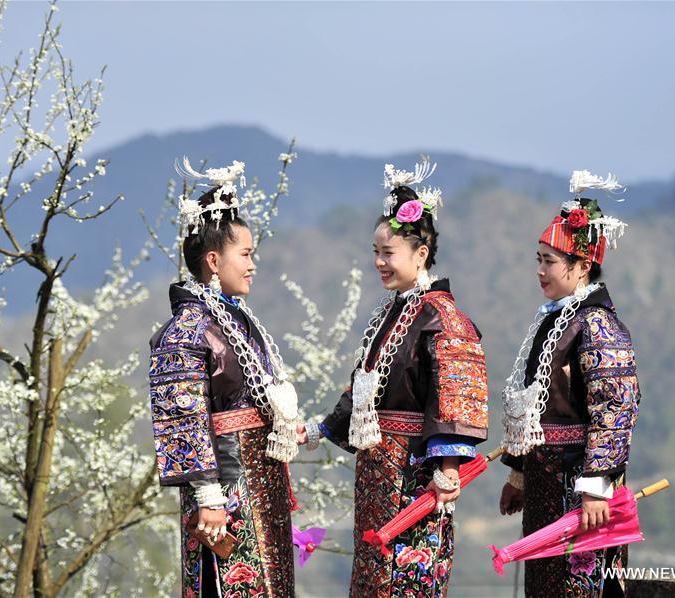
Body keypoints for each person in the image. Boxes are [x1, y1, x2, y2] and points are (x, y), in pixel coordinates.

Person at [300, 157, 489, 597]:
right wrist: (320, 428)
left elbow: (455, 398)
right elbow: (364, 390)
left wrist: (446, 467)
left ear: (420, 254)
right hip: (376, 477)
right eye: (376, 252)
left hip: (414, 476)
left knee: (408, 576)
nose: (379, 262)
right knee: (373, 577)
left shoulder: (443, 318)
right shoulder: (390, 314)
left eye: (388, 253)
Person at [149, 158, 298, 597]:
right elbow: (183, 421)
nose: (253, 265)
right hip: (226, 492)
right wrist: (208, 498)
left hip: (261, 486)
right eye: (246, 254)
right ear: (214, 261)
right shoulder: (188, 330)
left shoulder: (236, 320)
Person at [498, 170, 641, 597]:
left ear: (581, 266)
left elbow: (614, 412)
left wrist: (597, 486)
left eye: (550, 261)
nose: (540, 270)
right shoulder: (553, 322)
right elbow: (537, 409)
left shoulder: (598, 326)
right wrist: (520, 476)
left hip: (582, 488)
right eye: (538, 259)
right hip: (545, 485)